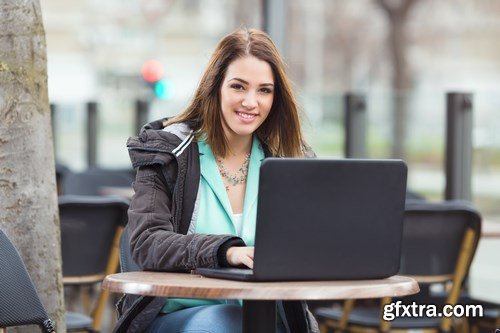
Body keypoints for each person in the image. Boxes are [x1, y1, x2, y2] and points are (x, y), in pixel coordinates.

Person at [115, 28, 319, 333]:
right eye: (239, 87)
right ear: (216, 87)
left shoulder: (289, 161)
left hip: (267, 315)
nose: (251, 102)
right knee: (225, 323)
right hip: (181, 315)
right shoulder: (168, 152)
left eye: (264, 90)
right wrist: (226, 252)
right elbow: (147, 243)